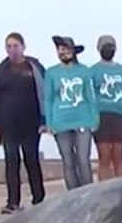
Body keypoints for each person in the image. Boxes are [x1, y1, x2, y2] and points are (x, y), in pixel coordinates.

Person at [0, 32, 47, 212]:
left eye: (16, 46)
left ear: (23, 47)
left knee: (32, 160)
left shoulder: (35, 68)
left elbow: (44, 95)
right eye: (9, 46)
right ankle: (13, 202)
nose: (12, 50)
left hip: (31, 123)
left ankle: (39, 199)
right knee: (11, 162)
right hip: (8, 125)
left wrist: (45, 120)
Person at [42, 36, 98, 190]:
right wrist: (49, 123)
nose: (63, 52)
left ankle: (88, 193)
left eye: (66, 49)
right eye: (60, 49)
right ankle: (72, 196)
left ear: (73, 51)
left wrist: (95, 119)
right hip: (61, 123)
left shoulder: (84, 71)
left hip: (83, 120)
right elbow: (48, 99)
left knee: (83, 160)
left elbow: (90, 96)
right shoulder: (51, 73)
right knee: (68, 161)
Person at [88, 34, 122, 180]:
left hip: (120, 116)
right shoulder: (92, 71)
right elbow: (90, 94)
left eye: (111, 47)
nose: (108, 49)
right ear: (99, 49)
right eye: (105, 47)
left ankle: (121, 192)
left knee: (118, 157)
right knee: (104, 157)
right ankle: (104, 192)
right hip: (100, 116)